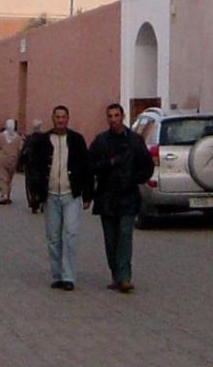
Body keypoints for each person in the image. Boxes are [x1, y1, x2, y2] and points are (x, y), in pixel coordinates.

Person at [88, 103, 154, 293]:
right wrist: (108, 164)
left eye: (117, 115)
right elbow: (90, 165)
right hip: (107, 197)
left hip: (128, 197)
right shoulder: (101, 141)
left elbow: (147, 165)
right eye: (110, 116)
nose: (114, 119)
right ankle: (116, 274)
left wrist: (135, 179)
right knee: (111, 240)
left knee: (125, 235)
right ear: (107, 119)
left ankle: (124, 277)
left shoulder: (135, 141)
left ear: (123, 116)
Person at [25, 106, 92, 290]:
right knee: (54, 236)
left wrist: (87, 194)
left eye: (63, 117)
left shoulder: (76, 140)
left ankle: (68, 276)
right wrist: (36, 194)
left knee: (70, 234)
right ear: (52, 118)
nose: (60, 120)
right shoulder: (43, 141)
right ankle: (57, 274)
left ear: (68, 119)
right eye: (57, 117)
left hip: (71, 194)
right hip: (51, 195)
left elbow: (86, 167)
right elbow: (35, 168)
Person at [0, 119, 24, 205]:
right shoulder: (18, 137)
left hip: (1, 160)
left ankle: (4, 195)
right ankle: (7, 194)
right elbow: (20, 149)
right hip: (13, 161)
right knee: (9, 179)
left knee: (2, 178)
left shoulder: (1, 136)